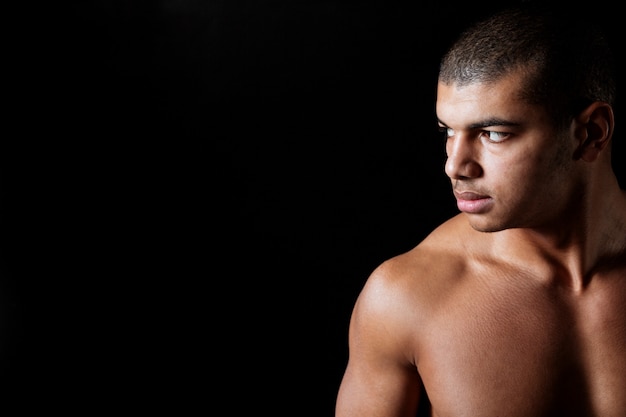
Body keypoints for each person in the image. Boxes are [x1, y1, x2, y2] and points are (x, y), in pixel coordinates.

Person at [335, 2, 626, 416]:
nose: (455, 165)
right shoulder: (406, 296)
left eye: (493, 133)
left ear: (591, 133)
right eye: (448, 132)